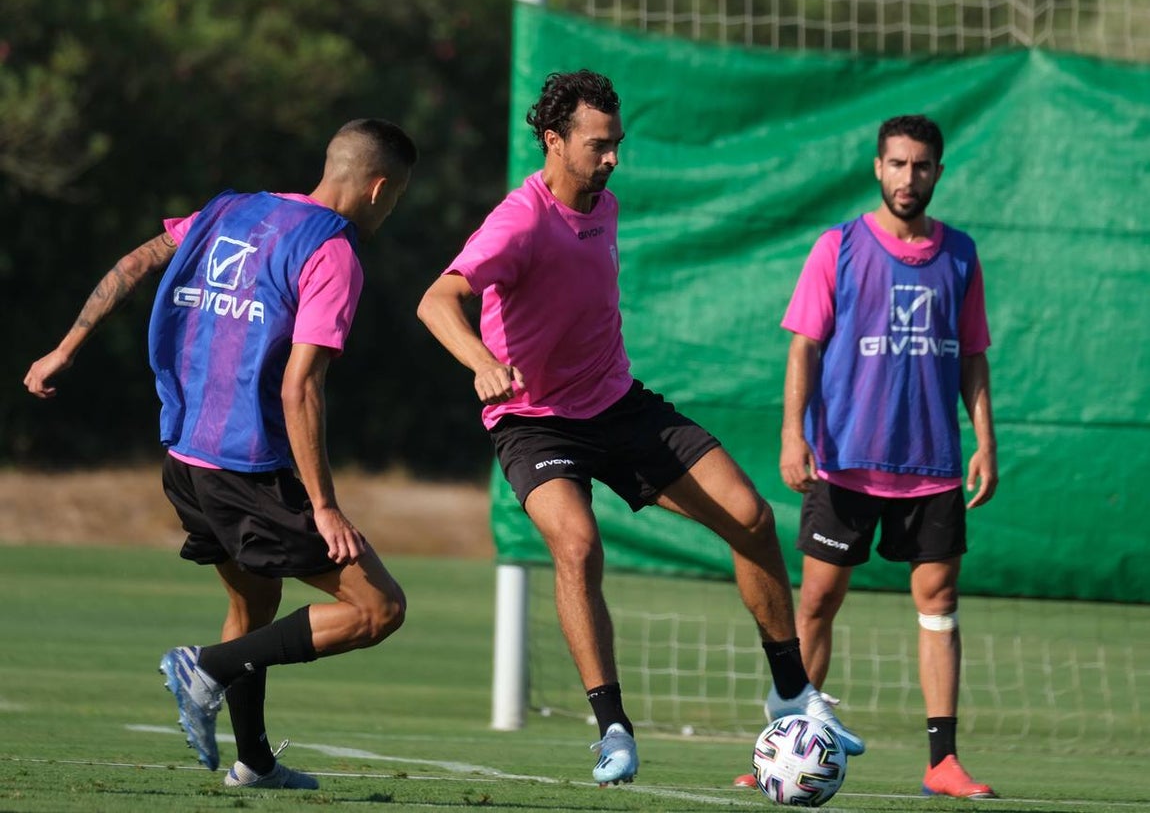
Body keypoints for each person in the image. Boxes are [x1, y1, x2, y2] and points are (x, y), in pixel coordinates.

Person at [416, 69, 864, 787]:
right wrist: (480, 361)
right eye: (599, 145)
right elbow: (437, 299)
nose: (613, 158)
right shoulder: (519, 219)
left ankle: (791, 692)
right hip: (535, 423)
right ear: (553, 140)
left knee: (750, 517)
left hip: (618, 406)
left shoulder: (606, 203)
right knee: (579, 544)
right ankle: (613, 730)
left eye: (618, 144)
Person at [24, 118, 418, 790]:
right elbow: (302, 385)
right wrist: (324, 506)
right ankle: (204, 668)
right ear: (381, 188)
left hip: (184, 458)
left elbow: (133, 263)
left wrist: (64, 347)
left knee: (252, 611)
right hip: (247, 471)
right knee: (377, 610)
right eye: (398, 196)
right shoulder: (333, 251)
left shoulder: (228, 210)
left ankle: (254, 760)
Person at [776, 114, 998, 798]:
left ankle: (942, 761)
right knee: (816, 600)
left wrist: (985, 439)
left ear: (937, 171)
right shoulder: (837, 247)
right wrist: (793, 432)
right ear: (878, 168)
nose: (909, 177)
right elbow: (804, 346)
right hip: (845, 461)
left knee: (938, 600)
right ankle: (787, 741)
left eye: (922, 165)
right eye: (897, 164)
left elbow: (973, 356)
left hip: (930, 465)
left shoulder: (959, 255)